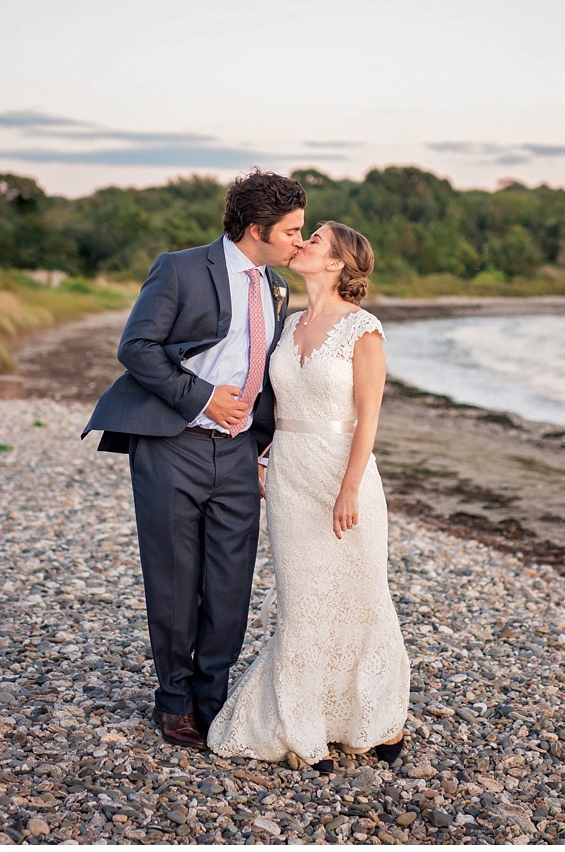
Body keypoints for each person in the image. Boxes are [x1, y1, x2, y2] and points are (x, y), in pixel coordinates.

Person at [81, 169, 305, 750]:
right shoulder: (180, 268)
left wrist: (268, 444)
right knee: (176, 578)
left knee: (231, 582)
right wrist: (202, 396)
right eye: (292, 231)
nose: (299, 243)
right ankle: (175, 702)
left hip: (237, 453)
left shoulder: (277, 285)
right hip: (171, 445)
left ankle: (215, 697)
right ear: (257, 228)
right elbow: (136, 347)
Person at [206, 221, 410, 771]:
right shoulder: (290, 321)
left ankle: (378, 720)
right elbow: (275, 407)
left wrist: (349, 489)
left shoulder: (363, 330)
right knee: (303, 600)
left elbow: (369, 419)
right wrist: (264, 459)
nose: (301, 245)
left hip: (345, 478)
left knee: (361, 595)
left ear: (338, 263)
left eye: (313, 240)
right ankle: (304, 726)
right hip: (291, 475)